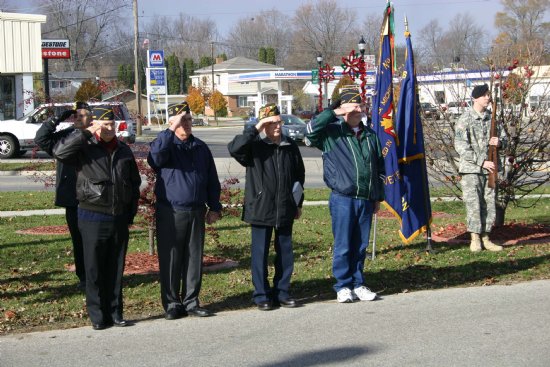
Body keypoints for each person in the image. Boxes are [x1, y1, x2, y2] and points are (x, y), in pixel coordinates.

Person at [53, 105, 141, 330]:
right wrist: (86, 132)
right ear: (96, 126)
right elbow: (60, 152)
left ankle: (116, 312)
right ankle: (97, 315)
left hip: (118, 217)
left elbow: (134, 182)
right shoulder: (85, 147)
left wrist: (129, 212)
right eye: (104, 125)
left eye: (112, 124)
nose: (109, 128)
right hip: (92, 216)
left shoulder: (123, 150)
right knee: (93, 270)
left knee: (115, 268)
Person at [306, 89, 385, 303]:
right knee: (343, 245)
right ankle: (342, 285)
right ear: (343, 110)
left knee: (360, 245)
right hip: (343, 198)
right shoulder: (331, 134)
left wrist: (377, 197)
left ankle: (358, 283)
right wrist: (333, 112)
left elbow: (379, 168)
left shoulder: (370, 135)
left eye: (360, 106)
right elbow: (310, 131)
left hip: (365, 198)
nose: (359, 110)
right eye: (354, 107)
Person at [147, 102, 222, 320]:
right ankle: (172, 303)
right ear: (172, 122)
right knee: (171, 258)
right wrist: (170, 130)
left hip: (196, 210)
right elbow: (155, 159)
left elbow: (211, 180)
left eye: (189, 119)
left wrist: (214, 207)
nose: (187, 124)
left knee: (193, 258)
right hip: (171, 211)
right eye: (182, 120)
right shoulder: (165, 144)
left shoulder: (200, 147)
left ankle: (191, 301)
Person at [228, 103, 305, 311]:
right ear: (264, 126)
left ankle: (282, 292)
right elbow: (234, 148)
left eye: (279, 122)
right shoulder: (255, 147)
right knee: (260, 254)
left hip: (286, 207)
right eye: (271, 123)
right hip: (261, 208)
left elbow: (299, 176)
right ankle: (261, 294)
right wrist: (256, 127)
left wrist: (298, 203)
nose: (277, 126)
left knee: (285, 253)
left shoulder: (290, 147)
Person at [34, 102, 91, 290]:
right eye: (77, 116)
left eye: (83, 116)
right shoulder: (65, 136)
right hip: (73, 199)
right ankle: (83, 277)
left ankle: (97, 274)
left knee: (94, 240)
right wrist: (56, 119)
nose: (79, 119)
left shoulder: (96, 138)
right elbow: (41, 139)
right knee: (78, 240)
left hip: (93, 198)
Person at [454, 84, 506, 252]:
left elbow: (504, 139)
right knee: (474, 203)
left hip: (490, 169)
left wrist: (499, 142)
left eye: (488, 95)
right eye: (484, 95)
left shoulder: (492, 119)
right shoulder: (465, 118)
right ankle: (475, 238)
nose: (487, 98)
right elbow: (460, 145)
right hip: (471, 170)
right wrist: (481, 161)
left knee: (489, 203)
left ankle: (486, 237)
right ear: (475, 98)